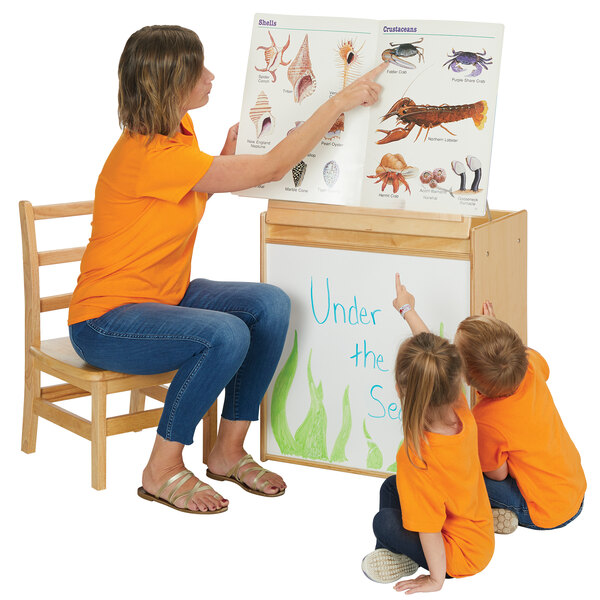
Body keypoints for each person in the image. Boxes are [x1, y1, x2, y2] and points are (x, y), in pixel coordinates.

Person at [68, 25, 386, 514]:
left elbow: (183, 194)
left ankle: (227, 450)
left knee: (270, 304)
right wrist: (338, 102)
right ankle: (161, 468)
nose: (211, 77)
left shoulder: (177, 133)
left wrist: (219, 164)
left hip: (161, 299)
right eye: (200, 70)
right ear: (172, 83)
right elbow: (273, 168)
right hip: (105, 322)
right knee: (227, 334)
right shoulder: (150, 156)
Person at [362, 274, 494, 592]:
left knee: (384, 522)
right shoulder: (460, 409)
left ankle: (396, 556)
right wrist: (406, 308)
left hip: (456, 557)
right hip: (480, 537)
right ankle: (398, 554)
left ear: (400, 391)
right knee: (391, 488)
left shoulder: (416, 456)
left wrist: (436, 579)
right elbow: (434, 357)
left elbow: (430, 529)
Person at [454, 301, 586, 533]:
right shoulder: (531, 367)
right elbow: (527, 357)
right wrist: (496, 335)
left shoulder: (485, 421)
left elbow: (498, 475)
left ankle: (488, 513)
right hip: (574, 490)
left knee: (459, 475)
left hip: (545, 512)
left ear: (466, 379)